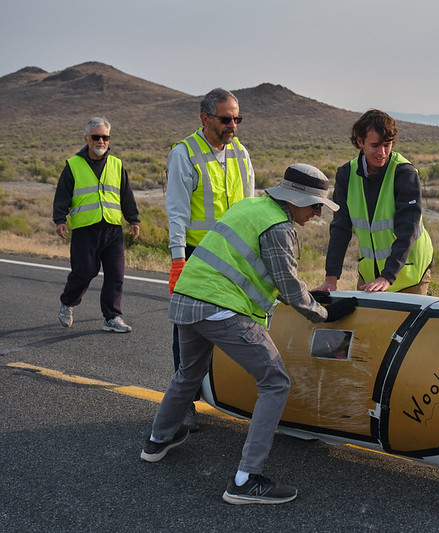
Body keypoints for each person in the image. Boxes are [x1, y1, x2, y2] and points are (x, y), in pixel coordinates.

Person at [140, 164, 357, 505]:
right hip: (220, 308)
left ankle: (156, 441)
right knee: (275, 382)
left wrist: (309, 296)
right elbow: (286, 284)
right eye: (315, 205)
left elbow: (264, 273)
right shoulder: (278, 226)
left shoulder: (250, 207)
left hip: (187, 300)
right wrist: (323, 313)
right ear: (296, 199)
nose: (318, 213)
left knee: (190, 372)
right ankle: (245, 479)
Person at [166, 88, 256, 430]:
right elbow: (177, 212)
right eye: (226, 118)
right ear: (205, 119)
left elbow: (249, 207)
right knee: (188, 332)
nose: (232, 124)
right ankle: (183, 405)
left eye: (237, 118)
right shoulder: (184, 153)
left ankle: (235, 394)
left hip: (234, 258)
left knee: (238, 324)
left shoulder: (241, 153)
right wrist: (178, 261)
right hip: (197, 257)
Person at [313, 109, 433, 294]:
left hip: (409, 276)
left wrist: (387, 276)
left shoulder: (405, 174)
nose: (382, 152)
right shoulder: (346, 174)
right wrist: (331, 278)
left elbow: (408, 229)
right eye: (375, 145)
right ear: (360, 142)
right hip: (370, 277)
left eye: (387, 145)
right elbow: (340, 228)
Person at [53, 117, 140, 333]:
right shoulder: (73, 164)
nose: (101, 141)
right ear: (86, 138)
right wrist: (60, 220)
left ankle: (112, 317)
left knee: (116, 274)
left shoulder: (117, 164)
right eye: (96, 137)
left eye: (105, 137)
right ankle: (67, 302)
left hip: (112, 227)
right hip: (85, 229)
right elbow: (63, 194)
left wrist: (134, 219)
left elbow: (126, 195)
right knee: (84, 272)